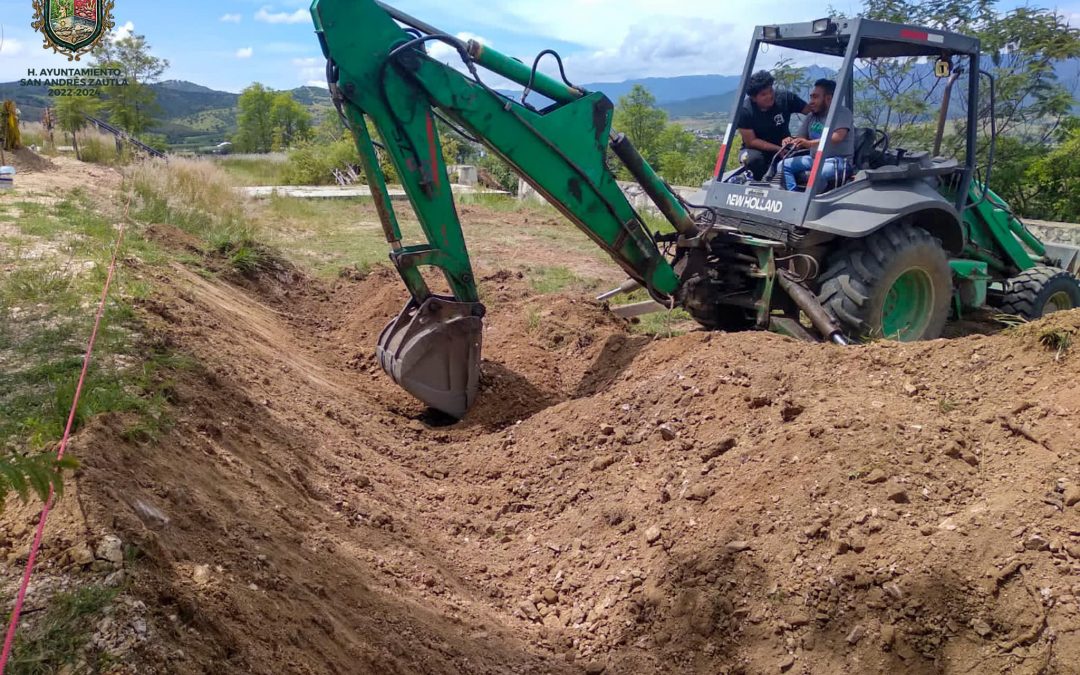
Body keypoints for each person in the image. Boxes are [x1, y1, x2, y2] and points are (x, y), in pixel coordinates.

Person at [781, 79, 854, 191]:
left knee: (819, 173)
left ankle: (812, 201)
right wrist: (791, 141)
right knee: (783, 165)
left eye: (815, 97)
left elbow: (837, 137)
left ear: (828, 99)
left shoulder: (842, 113)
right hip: (814, 159)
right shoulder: (812, 116)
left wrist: (809, 143)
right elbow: (801, 138)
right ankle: (794, 195)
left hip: (837, 161)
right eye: (811, 97)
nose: (811, 101)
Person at [735, 70, 809, 180]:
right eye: (763, 94)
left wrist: (800, 138)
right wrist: (777, 149)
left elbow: (812, 113)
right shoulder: (744, 111)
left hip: (784, 145)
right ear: (754, 98)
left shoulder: (785, 98)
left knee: (804, 158)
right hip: (756, 149)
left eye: (770, 91)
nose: (770, 96)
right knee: (752, 160)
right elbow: (751, 141)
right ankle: (760, 184)